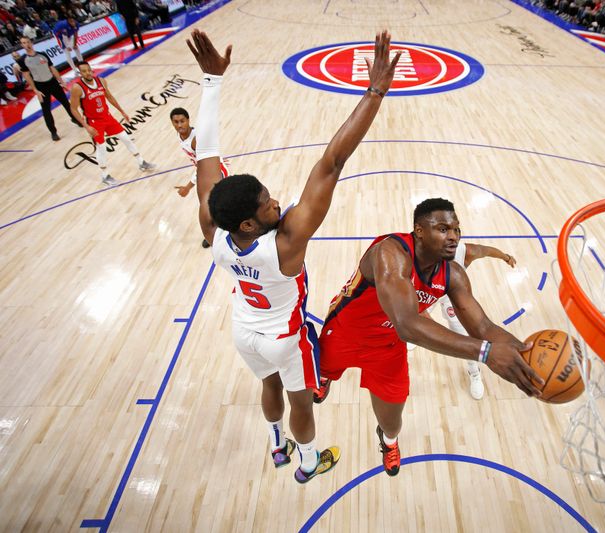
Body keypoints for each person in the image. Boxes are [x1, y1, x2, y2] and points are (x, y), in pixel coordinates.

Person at [188, 28, 401, 483]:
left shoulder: (214, 225)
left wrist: (211, 84)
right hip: (285, 336)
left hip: (244, 329)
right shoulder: (284, 244)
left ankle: (275, 443)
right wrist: (376, 92)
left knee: (268, 386)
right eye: (266, 203)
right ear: (248, 223)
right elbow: (332, 163)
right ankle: (307, 462)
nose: (276, 201)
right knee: (301, 399)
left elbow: (205, 152)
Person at [314, 198, 543, 476]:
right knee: (318, 374)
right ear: (419, 230)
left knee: (392, 420)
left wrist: (524, 351)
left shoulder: (453, 275)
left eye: (457, 230)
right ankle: (325, 377)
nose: (454, 237)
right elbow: (407, 324)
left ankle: (389, 442)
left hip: (387, 347)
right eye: (443, 229)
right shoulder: (390, 253)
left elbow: (483, 327)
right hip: (345, 332)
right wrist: (485, 353)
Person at [436, 240, 517, 400]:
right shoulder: (421, 248)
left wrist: (506, 257)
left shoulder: (465, 252)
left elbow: (486, 250)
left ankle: (474, 372)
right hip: (427, 291)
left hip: (451, 298)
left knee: (465, 340)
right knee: (414, 314)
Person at [69, 61, 156, 185]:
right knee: (102, 147)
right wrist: (86, 126)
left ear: (91, 69)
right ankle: (105, 176)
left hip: (107, 117)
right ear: (80, 73)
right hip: (94, 122)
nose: (87, 73)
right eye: (84, 71)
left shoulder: (101, 81)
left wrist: (122, 111)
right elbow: (73, 108)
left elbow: (109, 97)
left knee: (126, 138)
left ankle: (141, 162)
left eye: (89, 70)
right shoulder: (77, 88)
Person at [169, 106, 231, 247]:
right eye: (176, 122)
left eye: (182, 121)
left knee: (217, 204)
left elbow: (203, 167)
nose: (179, 125)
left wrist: (188, 187)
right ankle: (217, 232)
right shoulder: (181, 134)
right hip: (205, 171)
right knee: (210, 205)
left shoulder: (196, 141)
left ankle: (228, 233)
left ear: (188, 120)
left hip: (215, 171)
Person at [16, 36, 82, 140]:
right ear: (22, 45)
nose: (26, 44)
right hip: (40, 86)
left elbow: (52, 68)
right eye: (24, 43)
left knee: (66, 103)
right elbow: (27, 76)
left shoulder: (43, 54)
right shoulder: (22, 60)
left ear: (31, 43)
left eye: (28, 42)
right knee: (46, 110)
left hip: (53, 82)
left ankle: (76, 119)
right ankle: (53, 132)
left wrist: (61, 81)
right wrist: (35, 90)